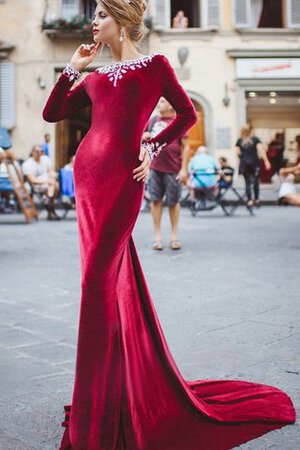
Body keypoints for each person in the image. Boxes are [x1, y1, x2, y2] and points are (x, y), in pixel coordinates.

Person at [42, 1, 295, 449]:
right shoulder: (95, 75)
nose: (93, 21)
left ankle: (96, 406)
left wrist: (151, 145)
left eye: (100, 13)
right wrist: (71, 68)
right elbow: (52, 113)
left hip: (123, 179)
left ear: (121, 19)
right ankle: (108, 394)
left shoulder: (154, 66)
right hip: (87, 181)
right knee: (98, 285)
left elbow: (187, 114)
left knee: (98, 285)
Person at [144, 97, 189, 251]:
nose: (158, 103)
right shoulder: (153, 121)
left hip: (173, 169)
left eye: (162, 101)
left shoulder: (179, 121)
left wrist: (184, 169)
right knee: (155, 201)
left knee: (173, 202)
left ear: (171, 104)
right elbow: (143, 138)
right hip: (154, 167)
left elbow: (186, 148)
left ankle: (174, 236)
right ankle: (157, 237)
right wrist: (144, 138)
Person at [235, 123, 271, 207]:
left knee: (247, 182)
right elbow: (261, 150)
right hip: (254, 163)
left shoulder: (239, 140)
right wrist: (266, 161)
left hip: (244, 164)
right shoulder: (255, 139)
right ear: (251, 130)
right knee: (256, 181)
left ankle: (249, 200)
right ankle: (257, 199)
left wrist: (243, 159)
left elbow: (237, 153)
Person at [22, 145, 60, 220]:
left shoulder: (46, 159)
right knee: (54, 186)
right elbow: (33, 180)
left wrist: (51, 178)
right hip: (37, 185)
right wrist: (47, 181)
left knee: (53, 184)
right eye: (37, 151)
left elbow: (51, 171)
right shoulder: (27, 164)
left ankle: (48, 200)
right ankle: (51, 209)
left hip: (49, 183)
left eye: (42, 151)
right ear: (32, 152)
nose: (40, 153)